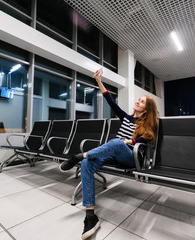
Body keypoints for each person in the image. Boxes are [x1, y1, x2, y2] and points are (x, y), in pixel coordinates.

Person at [59, 69, 158, 240]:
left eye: (142, 102)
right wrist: (99, 80)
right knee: (87, 164)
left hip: (132, 158)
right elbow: (110, 101)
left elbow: (148, 138)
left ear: (147, 109)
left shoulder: (147, 123)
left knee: (117, 142)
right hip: (115, 152)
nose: (138, 102)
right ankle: (90, 217)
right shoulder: (127, 117)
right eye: (139, 100)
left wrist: (131, 142)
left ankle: (78, 156)